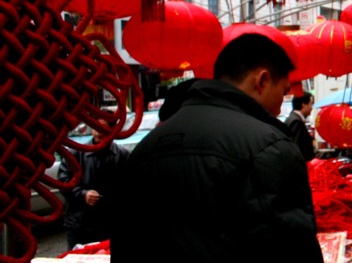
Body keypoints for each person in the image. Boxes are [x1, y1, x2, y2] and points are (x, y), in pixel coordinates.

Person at [111, 33, 322, 263]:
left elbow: (124, 243)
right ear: (262, 80)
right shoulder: (269, 146)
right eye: (282, 92)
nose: (280, 107)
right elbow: (292, 248)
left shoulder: (146, 148)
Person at [58, 120, 131, 249]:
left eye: (102, 127)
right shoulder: (76, 153)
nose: (98, 132)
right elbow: (63, 181)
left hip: (110, 224)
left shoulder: (123, 155)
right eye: (95, 127)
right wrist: (83, 195)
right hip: (80, 224)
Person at [286, 92, 316, 161]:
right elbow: (297, 148)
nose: (311, 108)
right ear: (304, 105)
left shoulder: (294, 118)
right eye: (311, 104)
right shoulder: (296, 121)